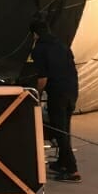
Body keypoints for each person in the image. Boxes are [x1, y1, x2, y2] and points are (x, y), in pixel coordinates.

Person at [30, 13, 81, 183]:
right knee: (65, 129)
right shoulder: (61, 45)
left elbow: (42, 79)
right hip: (72, 91)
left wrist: (34, 95)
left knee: (59, 131)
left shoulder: (39, 49)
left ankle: (72, 170)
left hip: (57, 94)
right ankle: (62, 162)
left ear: (34, 34)